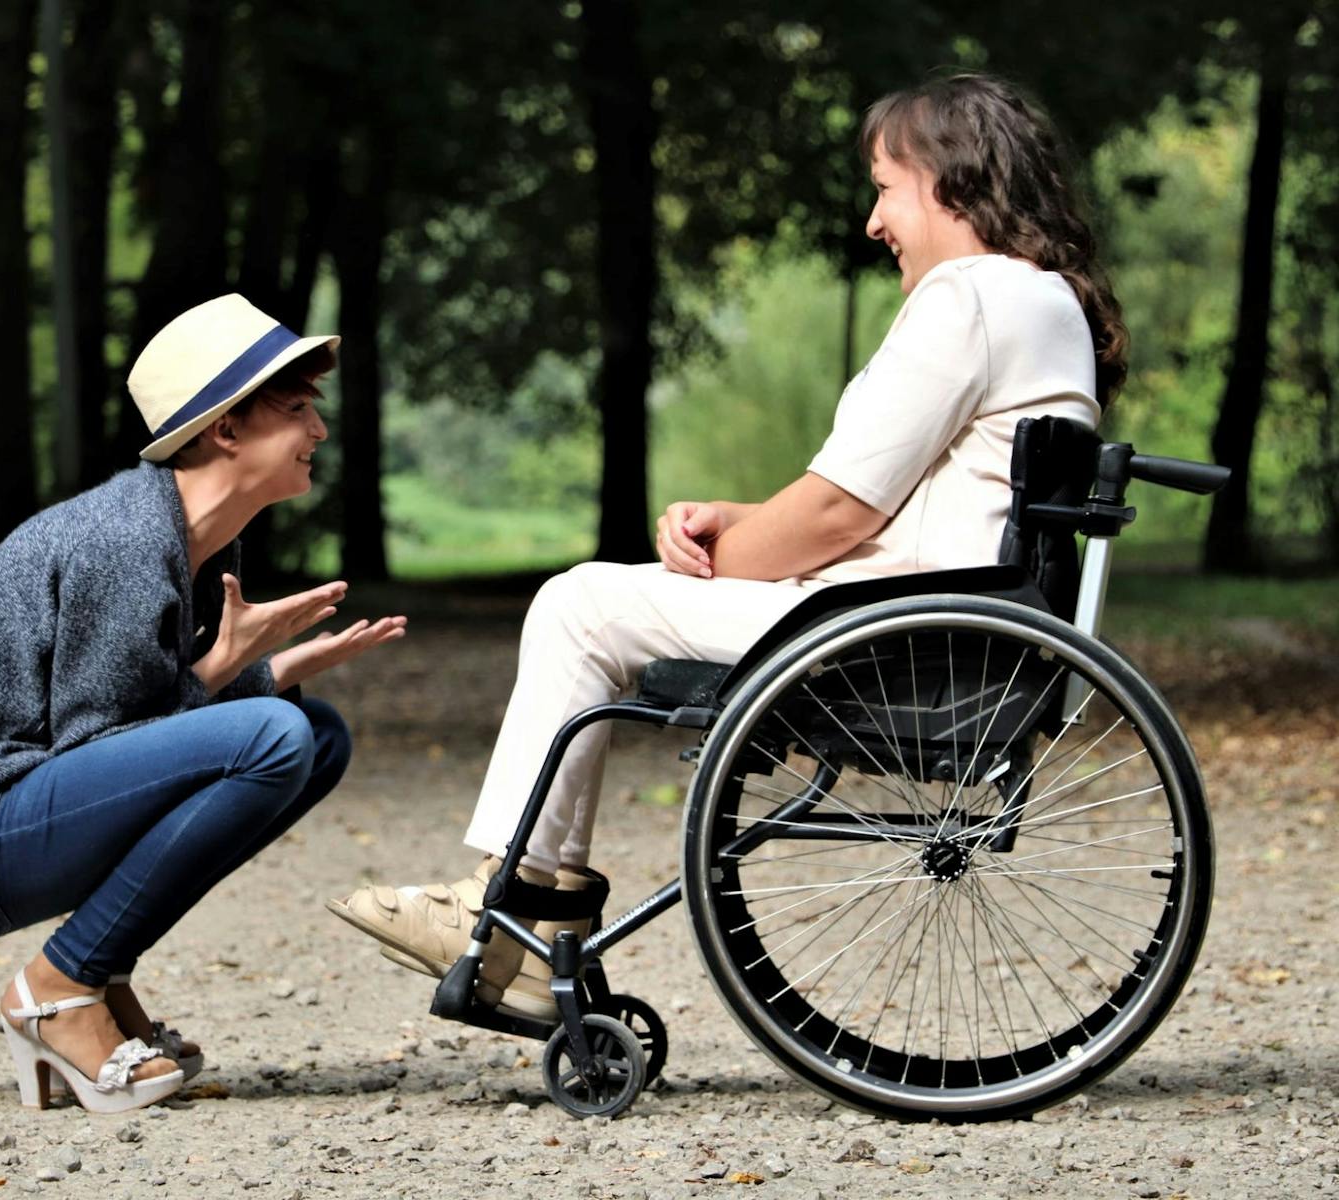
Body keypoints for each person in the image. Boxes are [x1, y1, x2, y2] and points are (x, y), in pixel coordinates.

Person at [328, 72, 1125, 1021]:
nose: (874, 223)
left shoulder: (972, 295)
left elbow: (837, 518)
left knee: (582, 604)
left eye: (884, 188)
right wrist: (735, 520)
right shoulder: (1043, 303)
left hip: (897, 635)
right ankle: (526, 914)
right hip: (948, 620)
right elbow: (895, 505)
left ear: (950, 179)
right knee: (600, 599)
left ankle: (518, 920)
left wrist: (715, 558)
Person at [0, 294, 406, 1114]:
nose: (318, 431)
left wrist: (263, 672)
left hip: (13, 815)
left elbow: (137, 737)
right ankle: (58, 991)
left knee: (315, 735)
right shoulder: (124, 542)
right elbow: (103, 745)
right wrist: (231, 670)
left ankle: (93, 973)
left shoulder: (190, 538)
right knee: (279, 735)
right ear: (227, 430)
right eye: (296, 409)